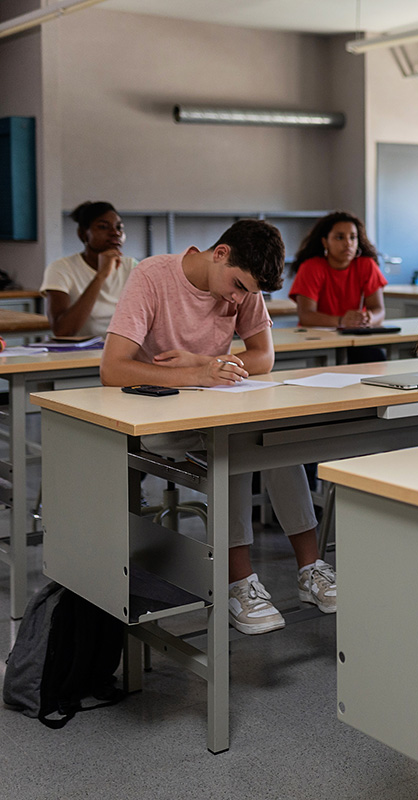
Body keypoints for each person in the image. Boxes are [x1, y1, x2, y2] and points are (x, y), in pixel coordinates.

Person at [101, 220, 335, 635]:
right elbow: (113, 367)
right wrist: (198, 374)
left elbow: (264, 356)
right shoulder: (152, 277)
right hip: (162, 419)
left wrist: (196, 364)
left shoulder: (243, 284)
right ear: (221, 253)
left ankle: (310, 570)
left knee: (274, 437)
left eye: (248, 293)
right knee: (236, 446)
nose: (239, 298)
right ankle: (239, 583)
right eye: (238, 286)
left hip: (219, 408)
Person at [42, 201, 137, 338]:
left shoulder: (132, 266)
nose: (115, 233)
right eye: (103, 227)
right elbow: (62, 331)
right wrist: (101, 275)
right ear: (83, 234)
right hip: (80, 353)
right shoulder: (61, 268)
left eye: (119, 227)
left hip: (122, 351)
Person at [289, 211, 387, 329]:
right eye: (340, 237)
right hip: (319, 337)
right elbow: (306, 316)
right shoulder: (311, 267)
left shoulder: (367, 265)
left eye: (353, 237)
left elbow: (379, 310)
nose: (348, 243)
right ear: (325, 242)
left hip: (357, 335)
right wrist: (341, 321)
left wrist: (369, 318)